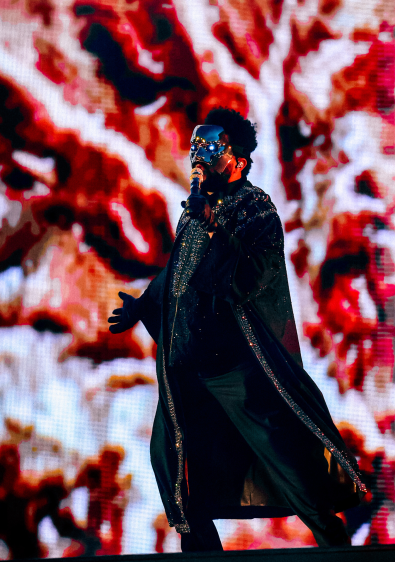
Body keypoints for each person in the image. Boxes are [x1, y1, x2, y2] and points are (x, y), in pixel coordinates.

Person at [108, 108, 366, 552]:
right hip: (186, 363)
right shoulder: (192, 214)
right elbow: (180, 272)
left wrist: (215, 227)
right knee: (173, 463)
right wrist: (143, 305)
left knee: (282, 457)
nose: (200, 156)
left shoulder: (256, 209)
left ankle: (334, 542)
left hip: (234, 366)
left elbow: (254, 275)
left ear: (239, 161)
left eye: (212, 148)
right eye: (198, 146)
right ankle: (202, 554)